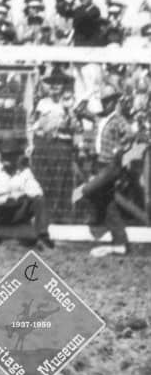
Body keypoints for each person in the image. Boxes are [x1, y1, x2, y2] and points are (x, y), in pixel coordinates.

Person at [79, 84, 143, 257]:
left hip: (111, 165)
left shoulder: (119, 120)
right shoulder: (100, 118)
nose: (105, 104)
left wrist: (119, 150)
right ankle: (120, 242)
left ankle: (96, 216)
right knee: (109, 204)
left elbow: (130, 136)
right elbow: (79, 110)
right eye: (103, 100)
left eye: (108, 100)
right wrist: (88, 94)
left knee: (88, 190)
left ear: (115, 101)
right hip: (100, 164)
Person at [0, 135, 50, 248]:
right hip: (0, 211)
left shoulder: (25, 171)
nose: (7, 159)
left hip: (18, 210)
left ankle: (42, 236)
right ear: (1, 155)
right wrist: (9, 189)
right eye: (5, 155)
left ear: (17, 157)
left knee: (39, 200)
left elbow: (38, 191)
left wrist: (23, 192)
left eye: (11, 156)